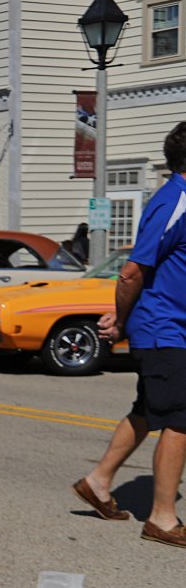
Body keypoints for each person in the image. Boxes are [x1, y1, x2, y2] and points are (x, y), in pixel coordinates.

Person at [72, 121, 186, 547]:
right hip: (165, 329)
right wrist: (121, 319)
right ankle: (162, 518)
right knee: (180, 418)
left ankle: (98, 481)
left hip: (169, 326)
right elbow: (132, 271)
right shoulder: (174, 200)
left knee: (147, 410)